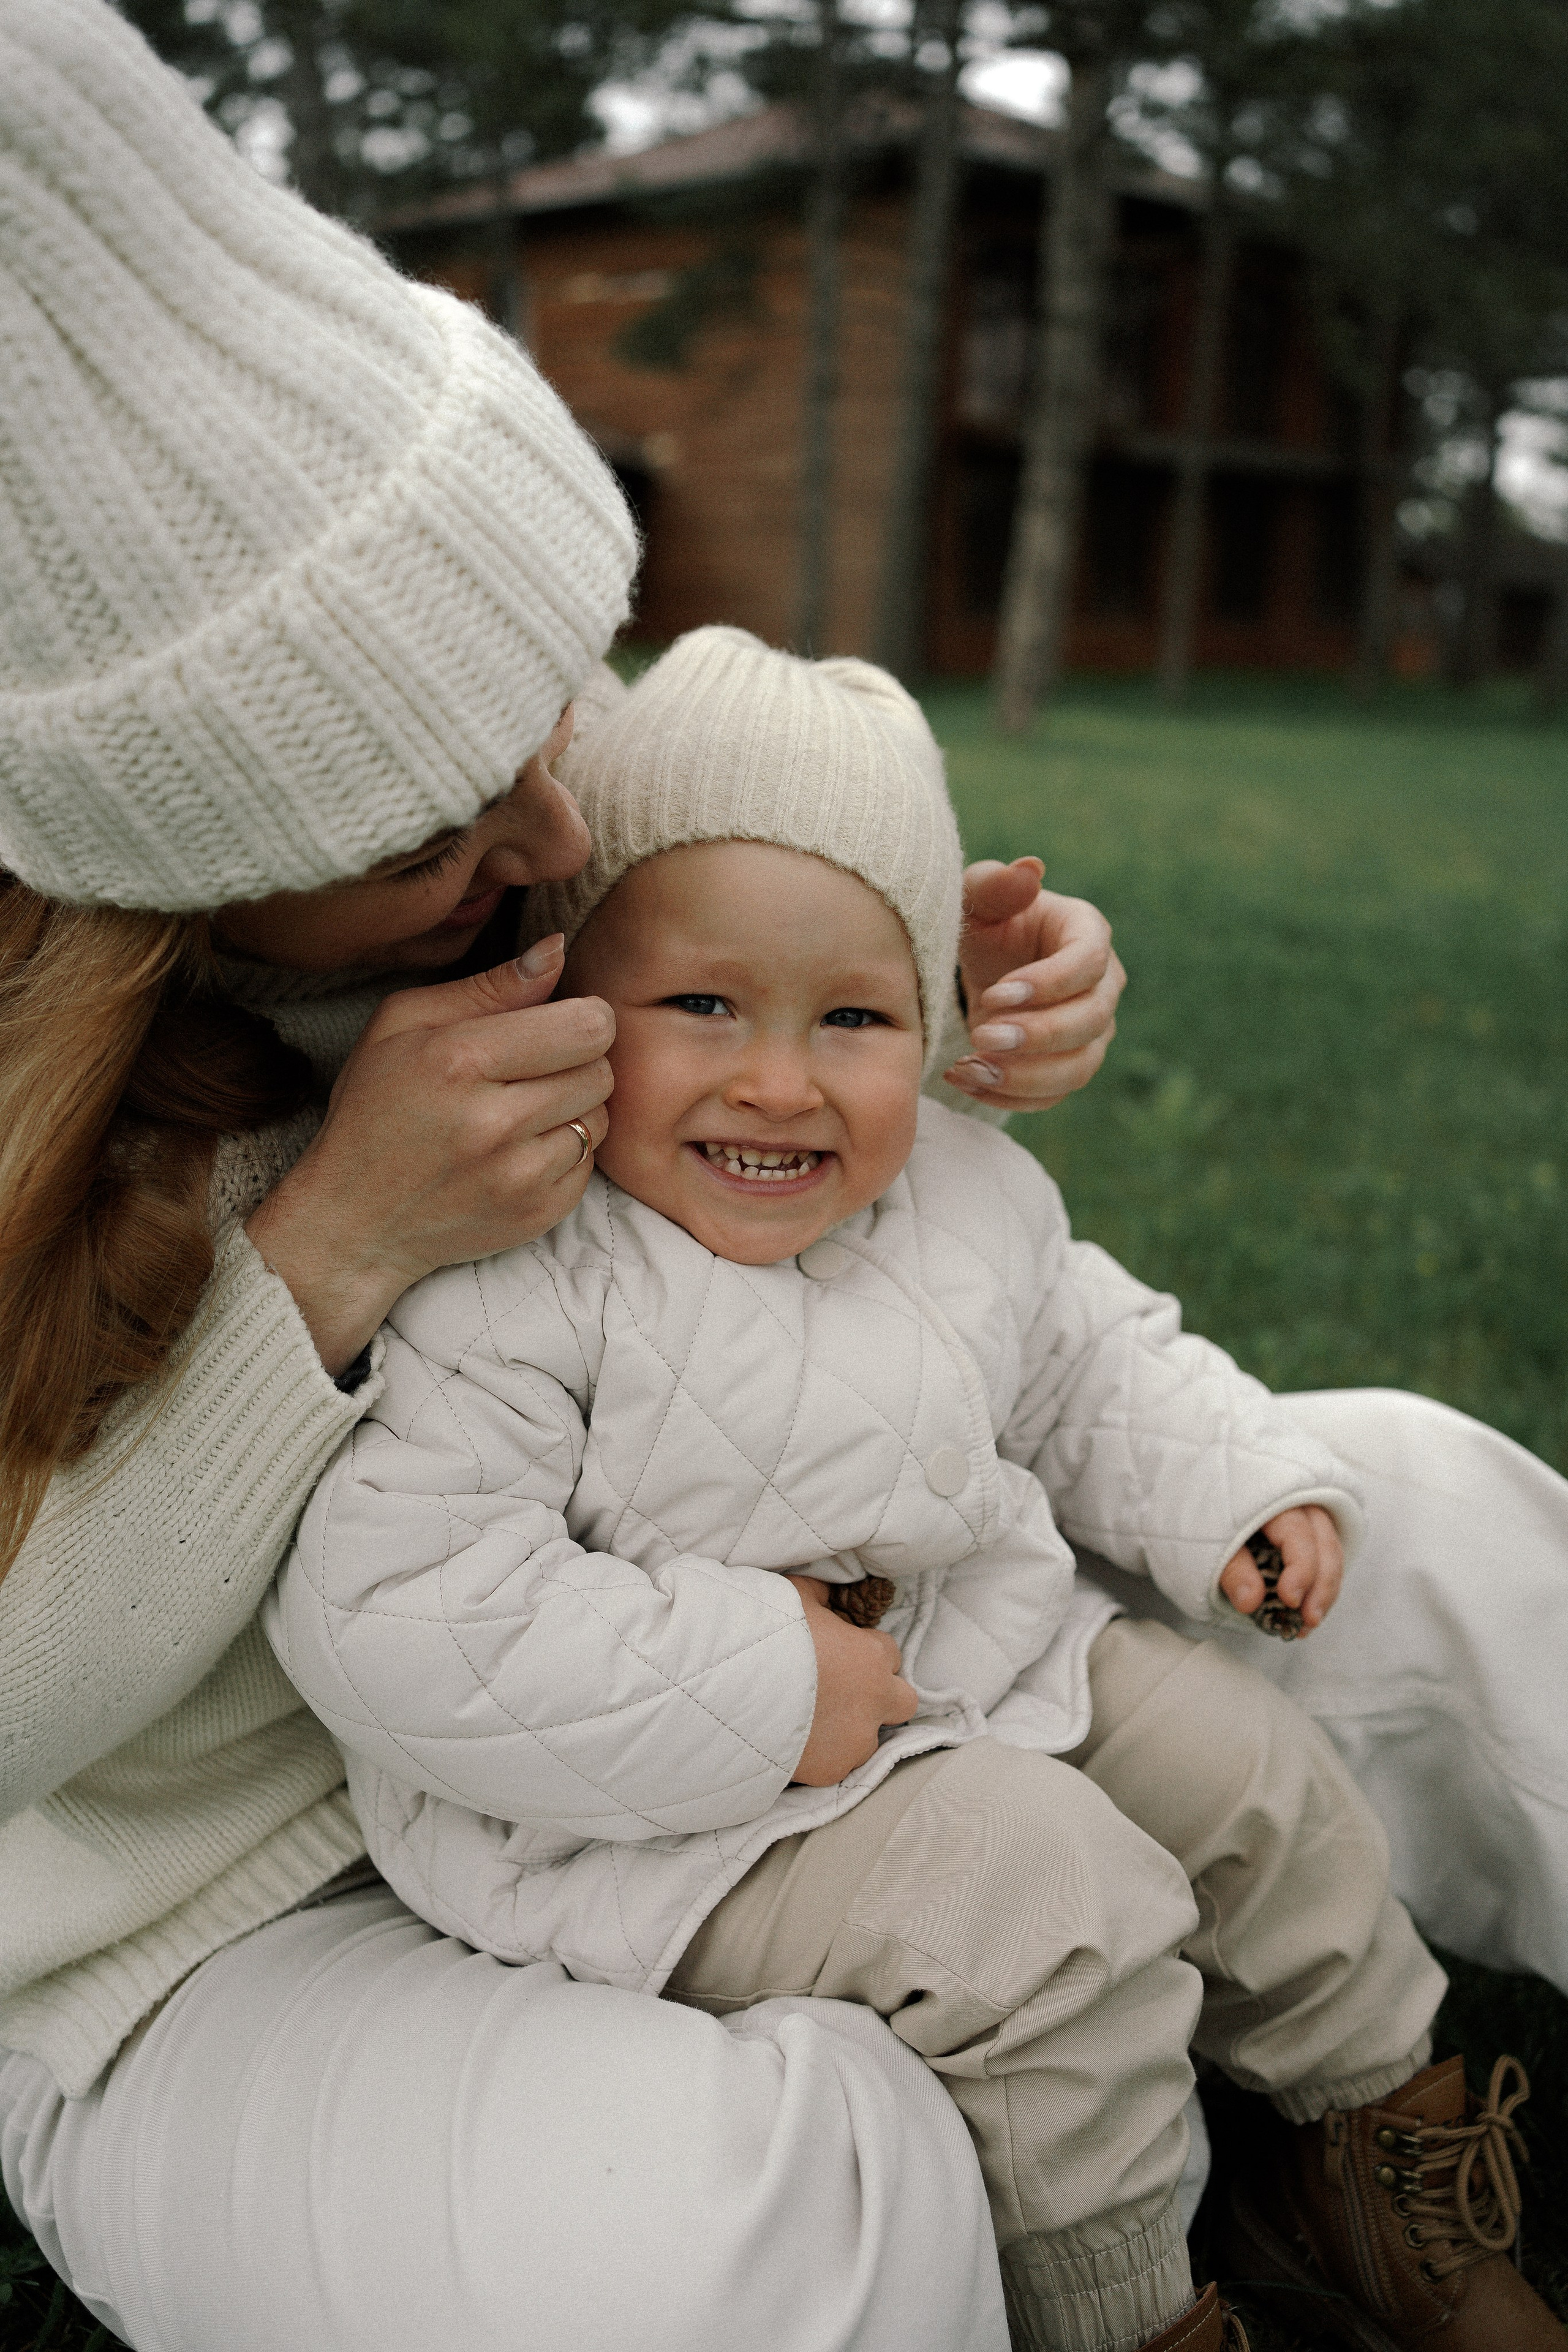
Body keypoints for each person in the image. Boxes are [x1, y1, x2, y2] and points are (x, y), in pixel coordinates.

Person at [0, 7, 1123, 2347]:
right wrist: (333, 1252)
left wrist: (924, 996)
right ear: (174, 882)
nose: (557, 823)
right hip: (235, 1927)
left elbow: (778, 1009)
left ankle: (1103, 2034)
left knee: (1399, 1510)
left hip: (781, 1688)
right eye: (431, 831)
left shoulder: (538, 817)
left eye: (553, 691)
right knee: (713, 2250)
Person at [270, 628, 1563, 2352]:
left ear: (936, 1020)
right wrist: (761, 1684)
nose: (780, 1078)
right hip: (649, 1820)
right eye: (702, 1004)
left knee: (1259, 1777)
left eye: (855, 1017)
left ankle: (1369, 2155)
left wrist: (1235, 1488)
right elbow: (402, 1609)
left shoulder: (956, 1189)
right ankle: (1127, 2310)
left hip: (966, 1672)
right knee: (1049, 1918)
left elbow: (1080, 1351)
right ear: (568, 997)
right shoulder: (513, 1266)